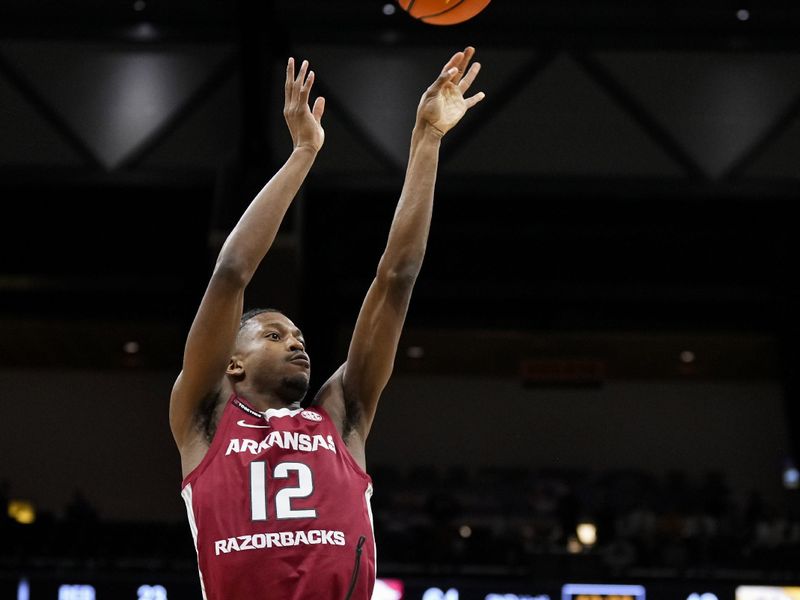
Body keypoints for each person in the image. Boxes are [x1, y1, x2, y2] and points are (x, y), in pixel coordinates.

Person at [169, 46, 485, 600]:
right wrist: (303, 154)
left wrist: (427, 141)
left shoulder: (342, 417)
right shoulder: (205, 418)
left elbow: (397, 277)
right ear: (232, 362)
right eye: (274, 334)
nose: (297, 344)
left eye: (299, 337)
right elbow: (231, 272)